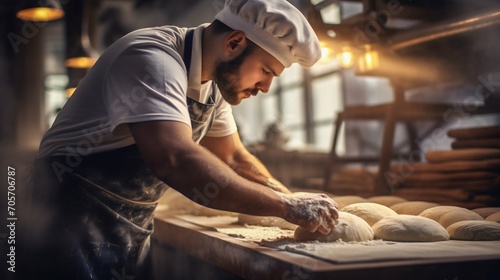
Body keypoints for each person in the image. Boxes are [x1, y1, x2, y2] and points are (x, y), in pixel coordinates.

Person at [20, 0, 339, 279]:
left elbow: (233, 158)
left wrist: (292, 201)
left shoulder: (213, 85)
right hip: (68, 221)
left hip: (131, 226)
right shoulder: (153, 59)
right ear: (235, 42)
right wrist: (285, 206)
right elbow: (174, 158)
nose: (266, 87)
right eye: (266, 71)